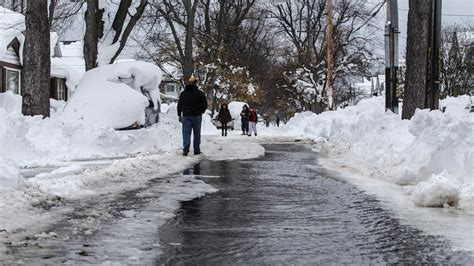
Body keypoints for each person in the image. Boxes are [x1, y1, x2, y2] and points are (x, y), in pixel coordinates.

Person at [177, 75, 208, 156]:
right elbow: (205, 104)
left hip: (186, 115)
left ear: (189, 83)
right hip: (197, 115)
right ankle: (196, 150)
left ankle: (185, 150)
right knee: (197, 133)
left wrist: (179, 115)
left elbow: (179, 104)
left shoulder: (183, 93)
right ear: (195, 83)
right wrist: (201, 111)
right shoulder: (200, 93)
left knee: (186, 133)